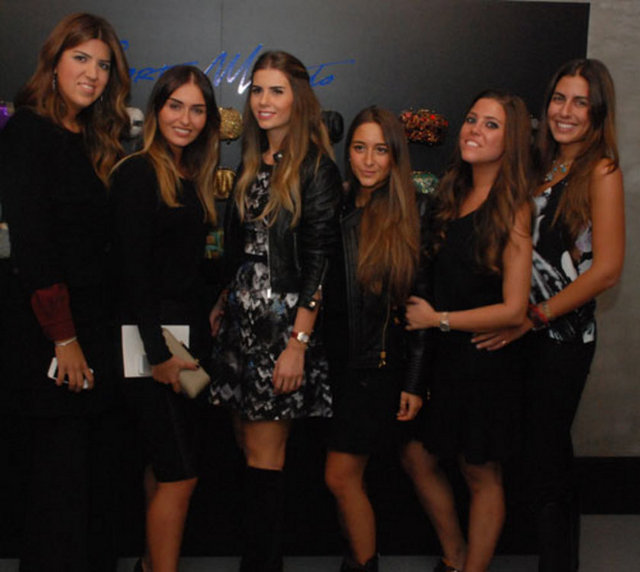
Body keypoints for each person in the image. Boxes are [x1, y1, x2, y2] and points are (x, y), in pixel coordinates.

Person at [473, 59, 625, 571]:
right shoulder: (539, 166)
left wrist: (535, 317)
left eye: (580, 102)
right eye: (560, 98)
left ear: (597, 112)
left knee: (546, 459)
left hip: (561, 339)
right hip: (522, 332)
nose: (566, 111)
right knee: (534, 457)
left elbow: (607, 270)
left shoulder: (600, 171)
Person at [0, 13, 130, 572]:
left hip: (95, 328)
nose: (92, 74)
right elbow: (34, 245)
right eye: (81, 58)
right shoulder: (28, 131)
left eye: (103, 65)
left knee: (93, 480)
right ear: (53, 63)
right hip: (54, 334)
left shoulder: (93, 137)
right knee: (60, 480)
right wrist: (64, 338)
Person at [209, 50, 342, 571]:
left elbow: (320, 263)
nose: (264, 101)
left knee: (266, 456)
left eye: (277, 91)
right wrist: (225, 299)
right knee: (247, 446)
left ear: (298, 99)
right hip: (241, 322)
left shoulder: (316, 168)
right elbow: (246, 248)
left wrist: (298, 343)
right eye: (258, 90)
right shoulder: (252, 161)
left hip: (282, 326)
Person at [402, 90, 533, 572]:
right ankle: (455, 554)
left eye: (491, 124)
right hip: (447, 360)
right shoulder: (450, 194)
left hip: (486, 361)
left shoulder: (514, 207)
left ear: (512, 141)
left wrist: (438, 319)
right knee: (417, 457)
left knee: (480, 473)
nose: (474, 129)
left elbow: (514, 309)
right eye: (472, 119)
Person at [110, 65, 221, 572]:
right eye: (176, 105)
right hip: (151, 343)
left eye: (197, 109)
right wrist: (158, 355)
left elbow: (184, 268)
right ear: (156, 110)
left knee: (165, 467)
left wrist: (215, 303)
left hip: (185, 340)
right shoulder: (137, 172)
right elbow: (131, 275)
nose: (186, 118)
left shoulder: (190, 176)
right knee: (180, 475)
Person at [323, 106, 425, 572]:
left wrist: (414, 381)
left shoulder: (405, 218)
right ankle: (356, 558)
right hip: (336, 368)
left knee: (341, 477)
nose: (368, 160)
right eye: (360, 148)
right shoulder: (339, 207)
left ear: (394, 156)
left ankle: (365, 564)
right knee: (344, 480)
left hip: (374, 373)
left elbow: (417, 307)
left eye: (380, 150)